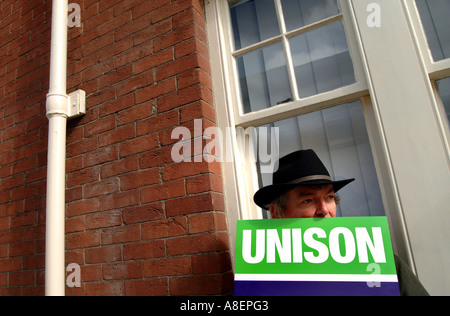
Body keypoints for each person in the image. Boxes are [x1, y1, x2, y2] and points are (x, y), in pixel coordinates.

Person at [253, 149, 429, 296]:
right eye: (307, 200)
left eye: (329, 197)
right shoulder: (262, 278)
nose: (324, 210)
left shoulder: (379, 260)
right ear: (277, 213)